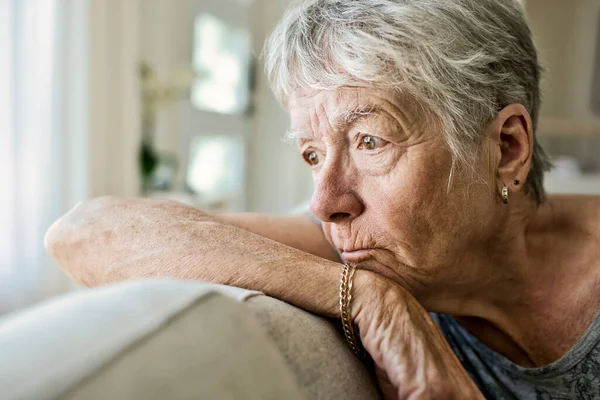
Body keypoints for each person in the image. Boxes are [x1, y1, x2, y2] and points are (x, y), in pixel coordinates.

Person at [46, 0, 600, 398]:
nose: (325, 201)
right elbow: (83, 233)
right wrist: (369, 301)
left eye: (369, 141)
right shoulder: (361, 254)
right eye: (312, 154)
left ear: (506, 148)